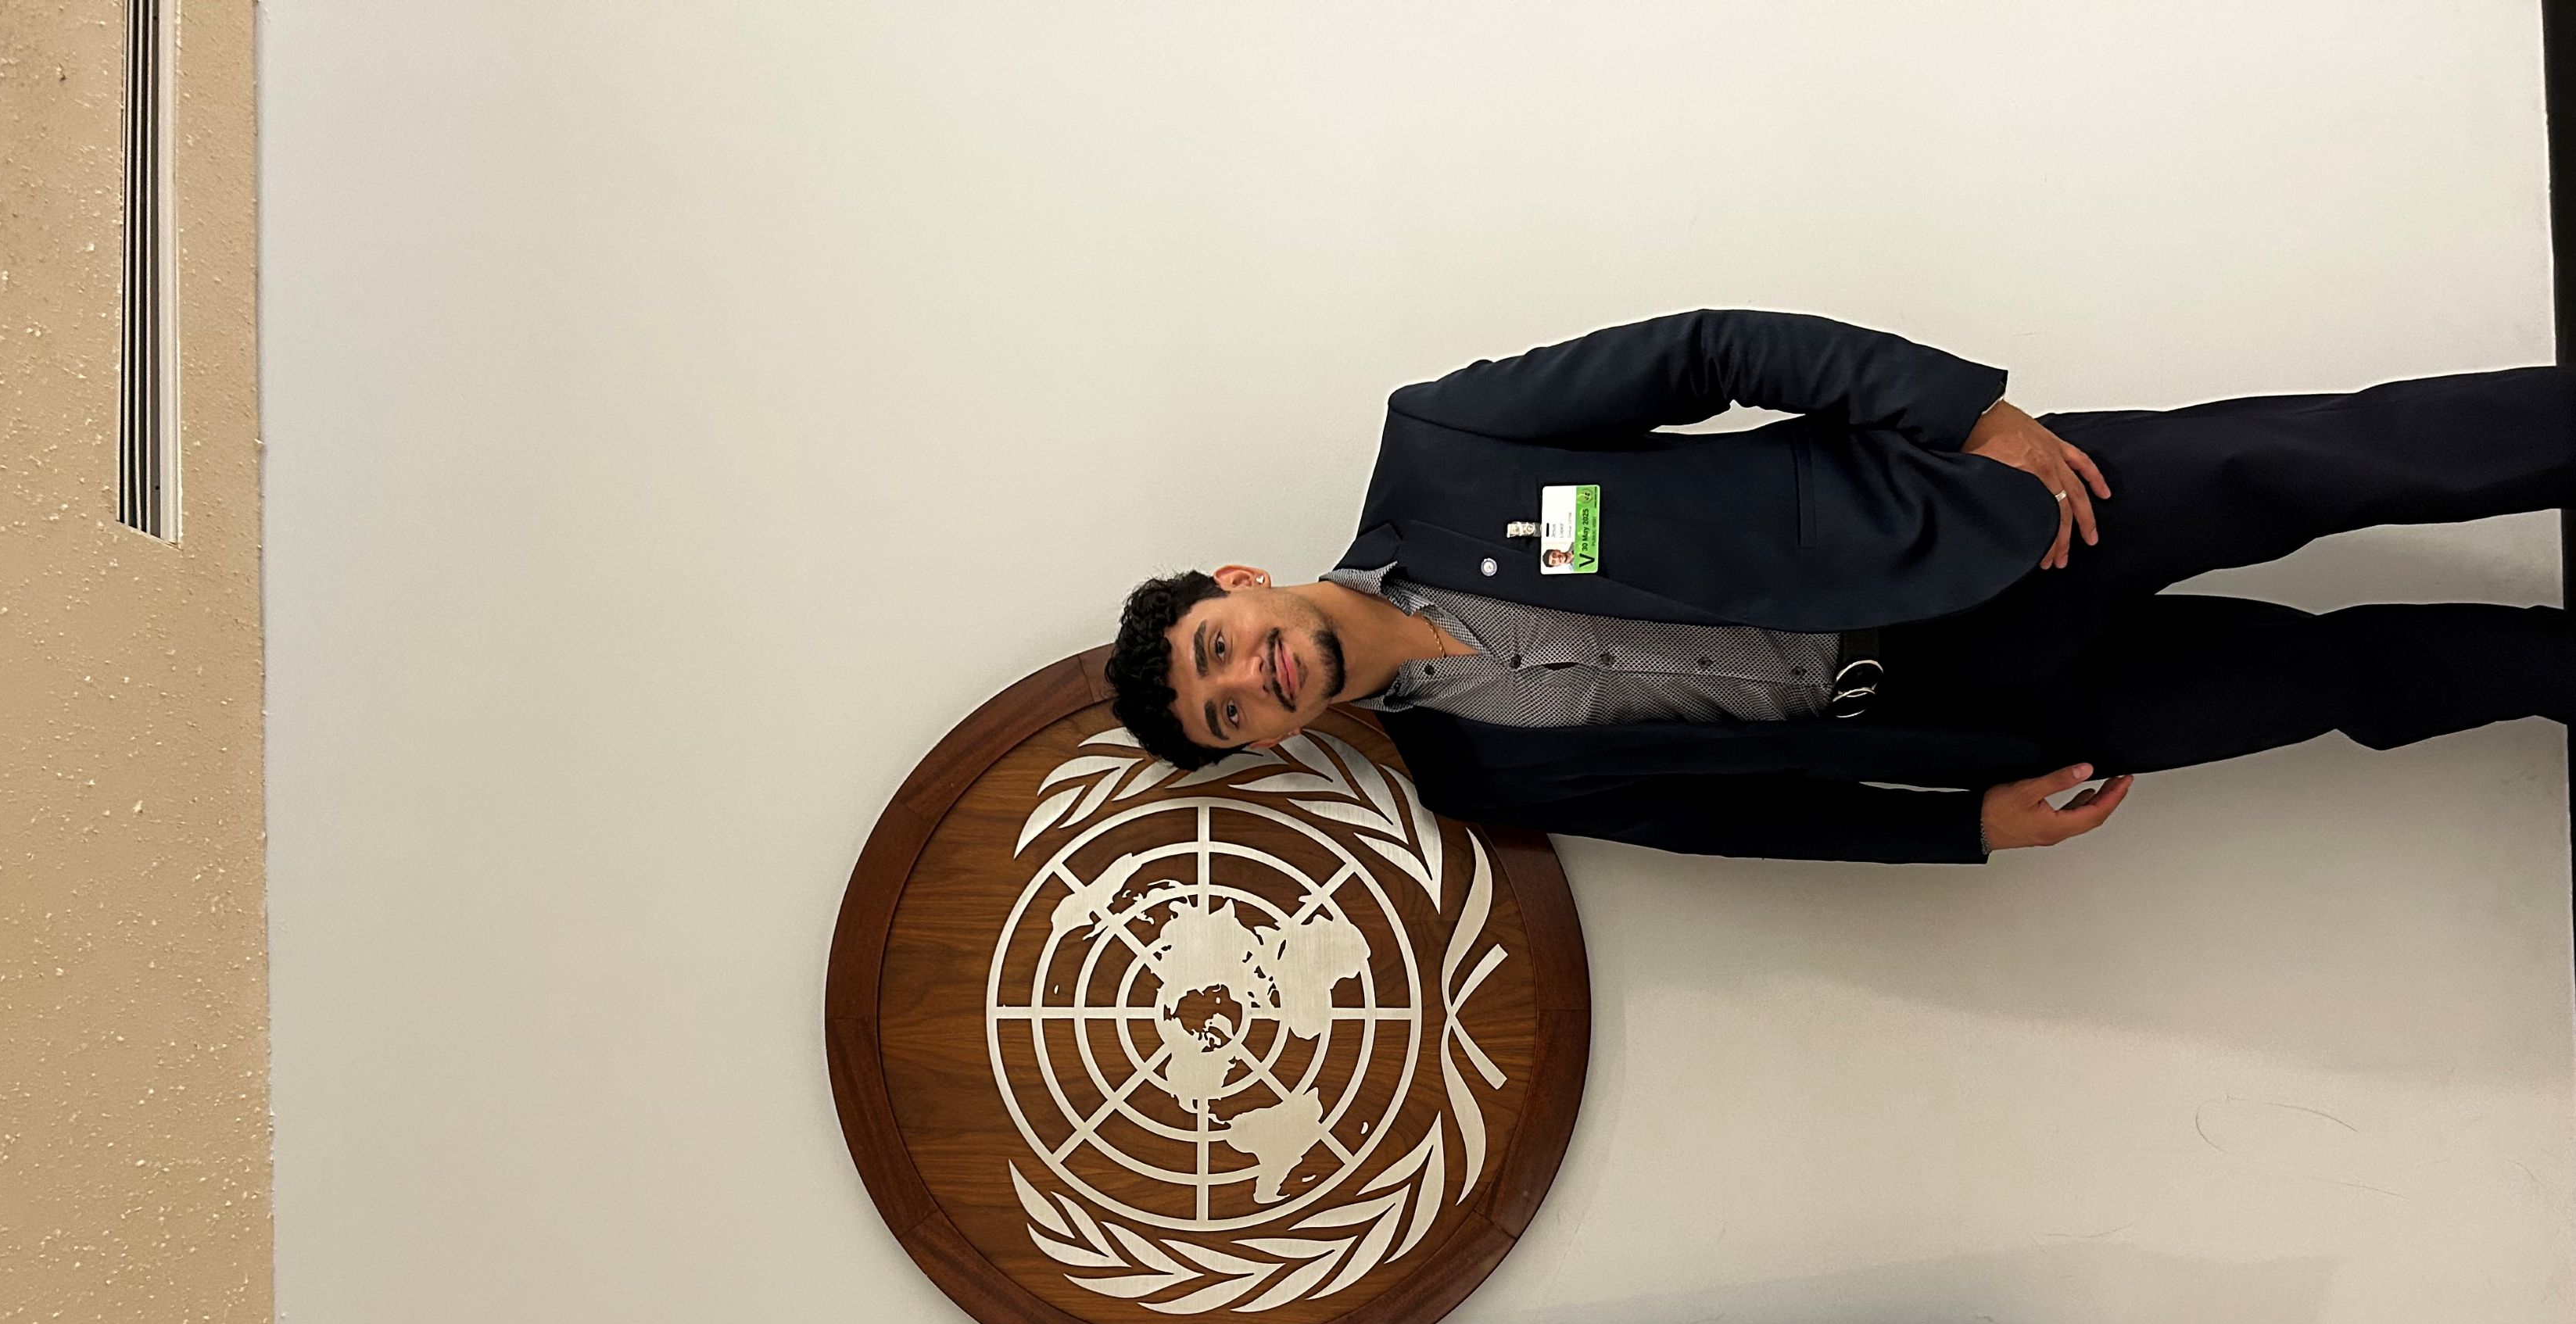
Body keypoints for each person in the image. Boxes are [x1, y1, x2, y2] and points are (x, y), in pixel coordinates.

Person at [1101, 309, 2574, 862]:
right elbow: (1736, 819)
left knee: (2339, 459)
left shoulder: (1443, 448)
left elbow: (1708, 352)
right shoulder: (1472, 771)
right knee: (2331, 687)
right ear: (1267, 740)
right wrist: (1959, 833)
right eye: (1227, 713)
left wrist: (1963, 413)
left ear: (1238, 583)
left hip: (1981, 520)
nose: (1249, 677)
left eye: (1216, 645)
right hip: (1964, 715)